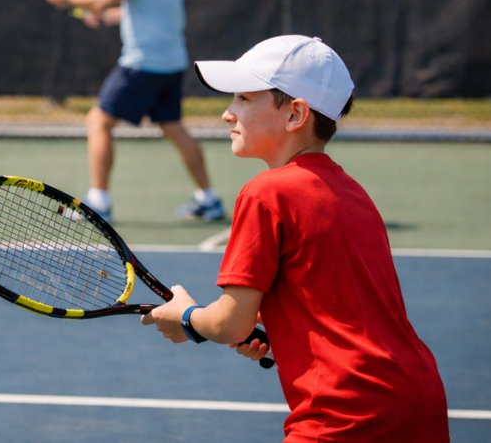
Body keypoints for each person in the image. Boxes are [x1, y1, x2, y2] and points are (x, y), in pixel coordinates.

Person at [141, 35, 449, 442]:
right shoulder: (353, 193)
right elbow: (341, 301)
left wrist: (185, 317)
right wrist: (278, 323)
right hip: (417, 399)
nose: (227, 114)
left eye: (244, 99)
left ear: (295, 115)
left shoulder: (265, 194)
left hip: (345, 414)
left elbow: (229, 324)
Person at [44, 0, 222, 222]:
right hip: (171, 62)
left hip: (143, 64)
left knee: (98, 122)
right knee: (175, 128)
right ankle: (209, 199)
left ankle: (98, 202)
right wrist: (107, 18)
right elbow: (147, 10)